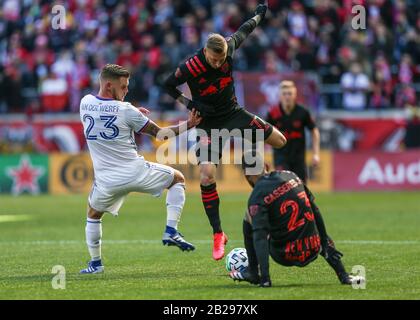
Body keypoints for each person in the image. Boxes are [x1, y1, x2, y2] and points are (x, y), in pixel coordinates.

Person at [163, 4, 287, 261]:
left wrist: (259, 14)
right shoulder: (191, 66)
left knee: (280, 141)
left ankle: (262, 178)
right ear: (205, 51)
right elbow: (167, 85)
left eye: (221, 59)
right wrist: (190, 104)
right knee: (206, 174)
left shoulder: (228, 48)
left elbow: (245, 30)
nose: (218, 63)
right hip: (208, 124)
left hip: (234, 113)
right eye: (213, 59)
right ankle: (218, 233)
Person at [79, 64, 202, 274]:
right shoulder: (127, 110)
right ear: (110, 85)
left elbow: (107, 111)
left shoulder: (85, 102)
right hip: (136, 172)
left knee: (93, 214)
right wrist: (189, 125)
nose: (126, 91)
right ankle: (171, 230)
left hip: (106, 181)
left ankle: (95, 263)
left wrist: (133, 111)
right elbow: (161, 134)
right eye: (124, 87)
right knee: (178, 179)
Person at [229, 150, 363, 287]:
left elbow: (260, 238)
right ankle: (344, 276)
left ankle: (254, 273)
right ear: (267, 166)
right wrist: (324, 243)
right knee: (311, 221)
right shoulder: (291, 176)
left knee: (249, 219)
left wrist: (265, 279)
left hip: (285, 255)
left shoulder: (257, 196)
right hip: (313, 248)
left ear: (247, 175)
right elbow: (315, 211)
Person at [265, 80, 320, 183]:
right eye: (284, 94)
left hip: (299, 158)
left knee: (301, 189)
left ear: (295, 95)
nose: (287, 97)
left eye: (290, 94)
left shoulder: (303, 112)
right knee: (282, 186)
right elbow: (263, 133)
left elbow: (314, 131)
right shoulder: (272, 113)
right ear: (280, 96)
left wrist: (316, 154)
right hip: (280, 157)